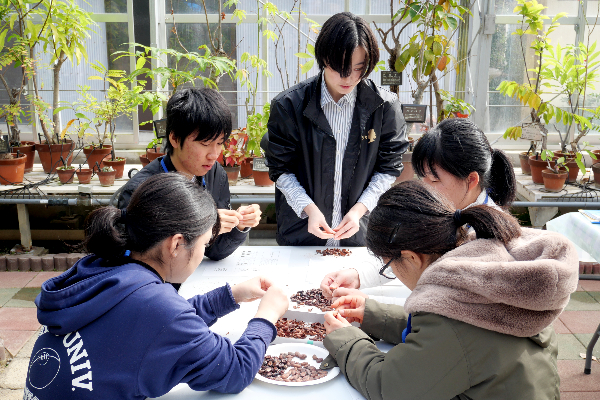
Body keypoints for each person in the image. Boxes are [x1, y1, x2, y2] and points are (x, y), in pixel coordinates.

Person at [25, 174, 289, 399]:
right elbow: (236, 370)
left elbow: (162, 322)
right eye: (204, 244)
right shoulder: (157, 308)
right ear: (176, 244)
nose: (203, 252)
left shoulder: (105, 266)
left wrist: (231, 295)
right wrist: (267, 316)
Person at [321, 180, 578, 399]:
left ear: (411, 258)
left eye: (388, 265)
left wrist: (348, 340)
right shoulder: (492, 268)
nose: (392, 273)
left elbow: (389, 386)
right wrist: (372, 314)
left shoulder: (453, 318)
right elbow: (454, 336)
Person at [320, 118, 516, 303]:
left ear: (471, 180)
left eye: (434, 180)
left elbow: (446, 308)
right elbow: (401, 253)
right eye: (422, 178)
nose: (425, 187)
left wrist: (369, 306)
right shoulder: (448, 210)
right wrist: (358, 275)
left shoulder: (486, 241)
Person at [261, 12, 408, 247]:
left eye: (359, 68)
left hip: (360, 237)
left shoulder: (384, 106)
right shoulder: (289, 105)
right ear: (323, 57)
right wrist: (309, 210)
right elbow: (281, 170)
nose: (349, 78)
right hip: (302, 236)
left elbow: (388, 169)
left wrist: (359, 211)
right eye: (340, 68)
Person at [119, 87, 262, 262]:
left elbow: (215, 250)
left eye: (219, 143)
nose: (214, 154)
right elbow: (132, 260)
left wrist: (239, 226)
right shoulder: (141, 191)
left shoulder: (215, 174)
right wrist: (201, 228)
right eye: (204, 143)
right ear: (175, 138)